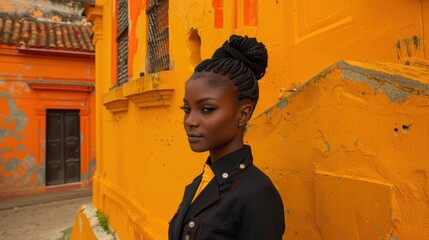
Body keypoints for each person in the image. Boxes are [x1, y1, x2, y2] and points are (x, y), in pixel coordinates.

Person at [169, 35, 285, 240]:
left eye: (207, 109)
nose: (190, 121)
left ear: (243, 114)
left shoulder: (257, 195)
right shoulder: (201, 182)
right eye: (187, 109)